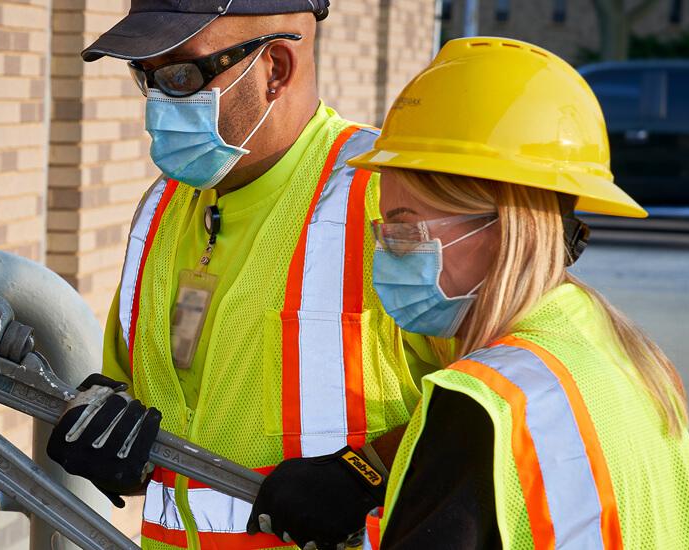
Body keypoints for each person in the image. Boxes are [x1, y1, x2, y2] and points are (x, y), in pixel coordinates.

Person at [251, 37, 689, 549]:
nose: (384, 254)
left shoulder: (483, 405)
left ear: (501, 229)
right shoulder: (617, 351)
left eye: (404, 229)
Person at [44, 2, 437, 550]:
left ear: (276, 67)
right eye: (145, 76)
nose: (158, 101)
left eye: (181, 75)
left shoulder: (387, 199)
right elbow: (156, 420)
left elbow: (499, 401)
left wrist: (368, 470)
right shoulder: (160, 210)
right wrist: (115, 453)